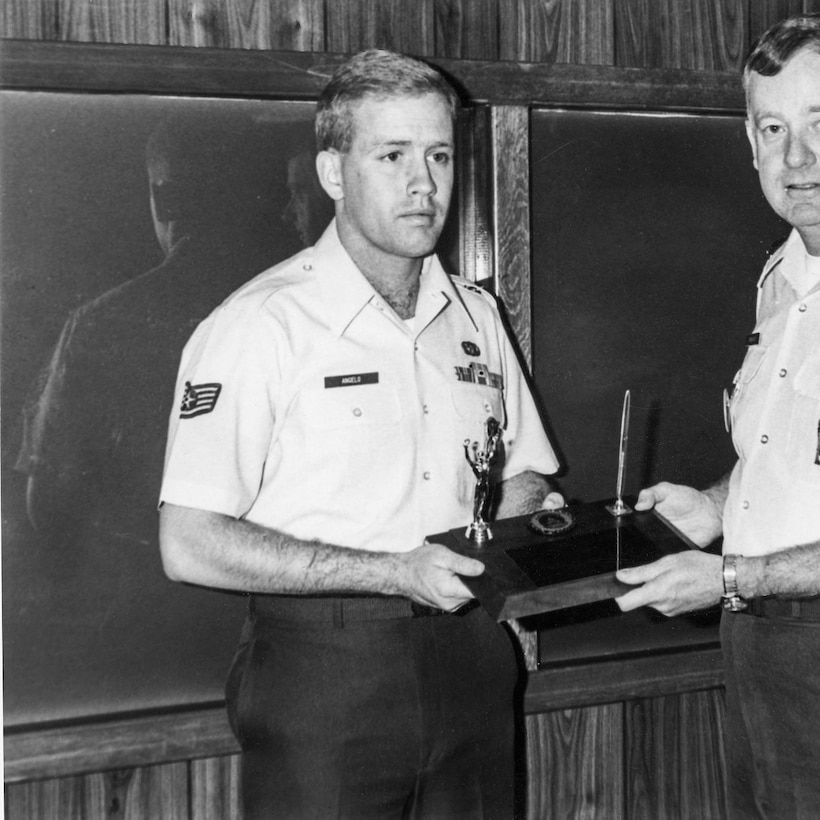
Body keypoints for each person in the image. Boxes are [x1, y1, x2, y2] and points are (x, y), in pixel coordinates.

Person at [159, 49, 563, 819]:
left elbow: (526, 473)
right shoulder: (259, 325)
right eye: (393, 155)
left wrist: (505, 538)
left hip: (473, 653)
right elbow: (190, 543)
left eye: (440, 155)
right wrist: (391, 572)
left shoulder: (477, 317)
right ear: (334, 173)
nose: (424, 183)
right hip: (326, 673)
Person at [614, 14, 820, 818]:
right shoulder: (780, 283)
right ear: (750, 142)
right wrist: (714, 508)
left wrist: (730, 574)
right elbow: (786, 460)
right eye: (775, 129)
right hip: (760, 651)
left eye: (819, 124)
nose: (797, 157)